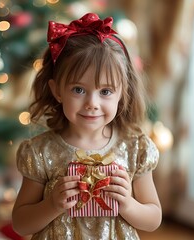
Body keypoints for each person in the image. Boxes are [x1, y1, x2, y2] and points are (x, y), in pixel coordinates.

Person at [12, 13, 162, 239]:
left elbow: (153, 220)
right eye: (78, 90)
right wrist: (52, 205)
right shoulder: (40, 152)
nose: (92, 103)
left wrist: (128, 204)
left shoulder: (135, 149)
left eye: (105, 91)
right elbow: (21, 224)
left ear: (122, 94)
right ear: (57, 90)